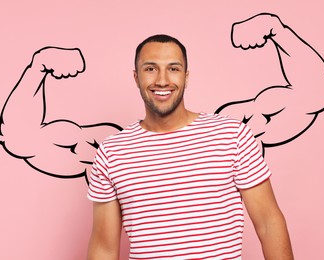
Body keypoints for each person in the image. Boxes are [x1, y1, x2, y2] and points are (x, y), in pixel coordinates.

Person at [87, 34, 294, 259]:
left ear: (186, 77)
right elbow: (104, 247)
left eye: (173, 69)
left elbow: (268, 222)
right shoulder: (112, 152)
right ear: (136, 77)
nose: (162, 80)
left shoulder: (232, 136)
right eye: (150, 69)